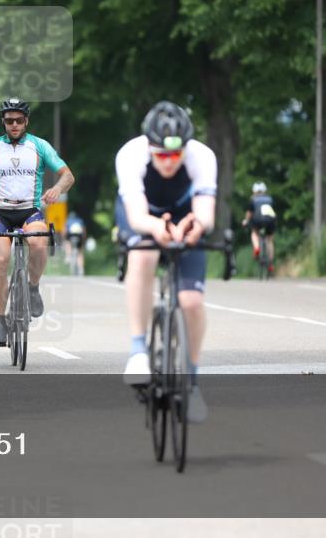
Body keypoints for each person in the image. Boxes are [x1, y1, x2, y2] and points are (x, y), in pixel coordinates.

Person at [116, 101, 216, 424]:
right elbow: (137, 215)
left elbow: (205, 213)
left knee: (191, 301)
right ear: (150, 147)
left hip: (186, 215)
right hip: (145, 214)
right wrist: (158, 228)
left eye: (176, 154)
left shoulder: (202, 156)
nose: (170, 162)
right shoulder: (131, 155)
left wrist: (194, 228)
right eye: (162, 155)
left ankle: (192, 382)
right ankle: (137, 351)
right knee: (143, 255)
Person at [0, 98, 75, 347]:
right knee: (1, 261)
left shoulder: (39, 146)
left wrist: (57, 189)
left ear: (26, 121)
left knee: (39, 244)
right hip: (2, 212)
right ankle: (0, 321)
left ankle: (33, 287)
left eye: (18, 120)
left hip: (30, 211)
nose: (14, 125)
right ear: (3, 122)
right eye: (9, 121)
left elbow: (67, 175)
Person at [241, 181, 276, 274]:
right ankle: (271, 263)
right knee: (269, 240)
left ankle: (257, 248)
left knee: (254, 233)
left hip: (257, 221)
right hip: (270, 221)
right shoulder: (270, 199)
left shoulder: (253, 200)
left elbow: (249, 214)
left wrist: (246, 221)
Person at [64, 210, 87, 276]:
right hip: (79, 237)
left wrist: (64, 238)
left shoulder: (68, 221)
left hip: (70, 236)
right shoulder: (80, 221)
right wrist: (83, 241)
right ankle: (81, 269)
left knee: (67, 243)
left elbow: (65, 231)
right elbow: (84, 231)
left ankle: (68, 255)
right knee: (80, 253)